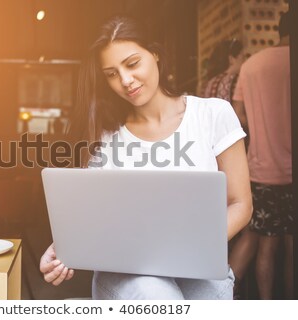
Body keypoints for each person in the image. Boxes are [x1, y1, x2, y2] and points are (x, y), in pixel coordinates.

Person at [40, 16, 252, 299]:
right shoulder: (104, 136)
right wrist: (60, 249)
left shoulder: (213, 114)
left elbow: (240, 203)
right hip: (128, 276)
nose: (125, 81)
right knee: (156, 296)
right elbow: (91, 219)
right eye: (112, 73)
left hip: (199, 266)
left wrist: (188, 247)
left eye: (132, 63)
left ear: (155, 53)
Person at [229, 11, 293, 300]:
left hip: (261, 168)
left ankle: (266, 306)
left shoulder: (251, 65)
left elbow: (238, 116)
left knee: (265, 244)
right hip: (291, 172)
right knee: (291, 245)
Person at [203, 39, 244, 104]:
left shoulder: (209, 83)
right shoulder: (237, 80)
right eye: (242, 57)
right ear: (231, 59)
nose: (244, 62)